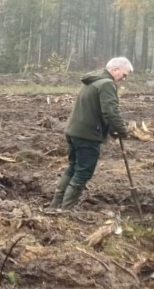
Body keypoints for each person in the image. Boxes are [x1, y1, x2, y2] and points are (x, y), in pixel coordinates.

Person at [49, 57, 132, 210]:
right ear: (115, 69)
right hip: (88, 135)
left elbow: (100, 111)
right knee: (82, 173)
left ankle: (55, 207)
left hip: (74, 131)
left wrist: (113, 131)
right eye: (124, 75)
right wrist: (122, 131)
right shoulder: (107, 84)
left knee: (73, 168)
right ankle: (66, 210)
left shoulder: (93, 81)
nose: (123, 79)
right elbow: (110, 112)